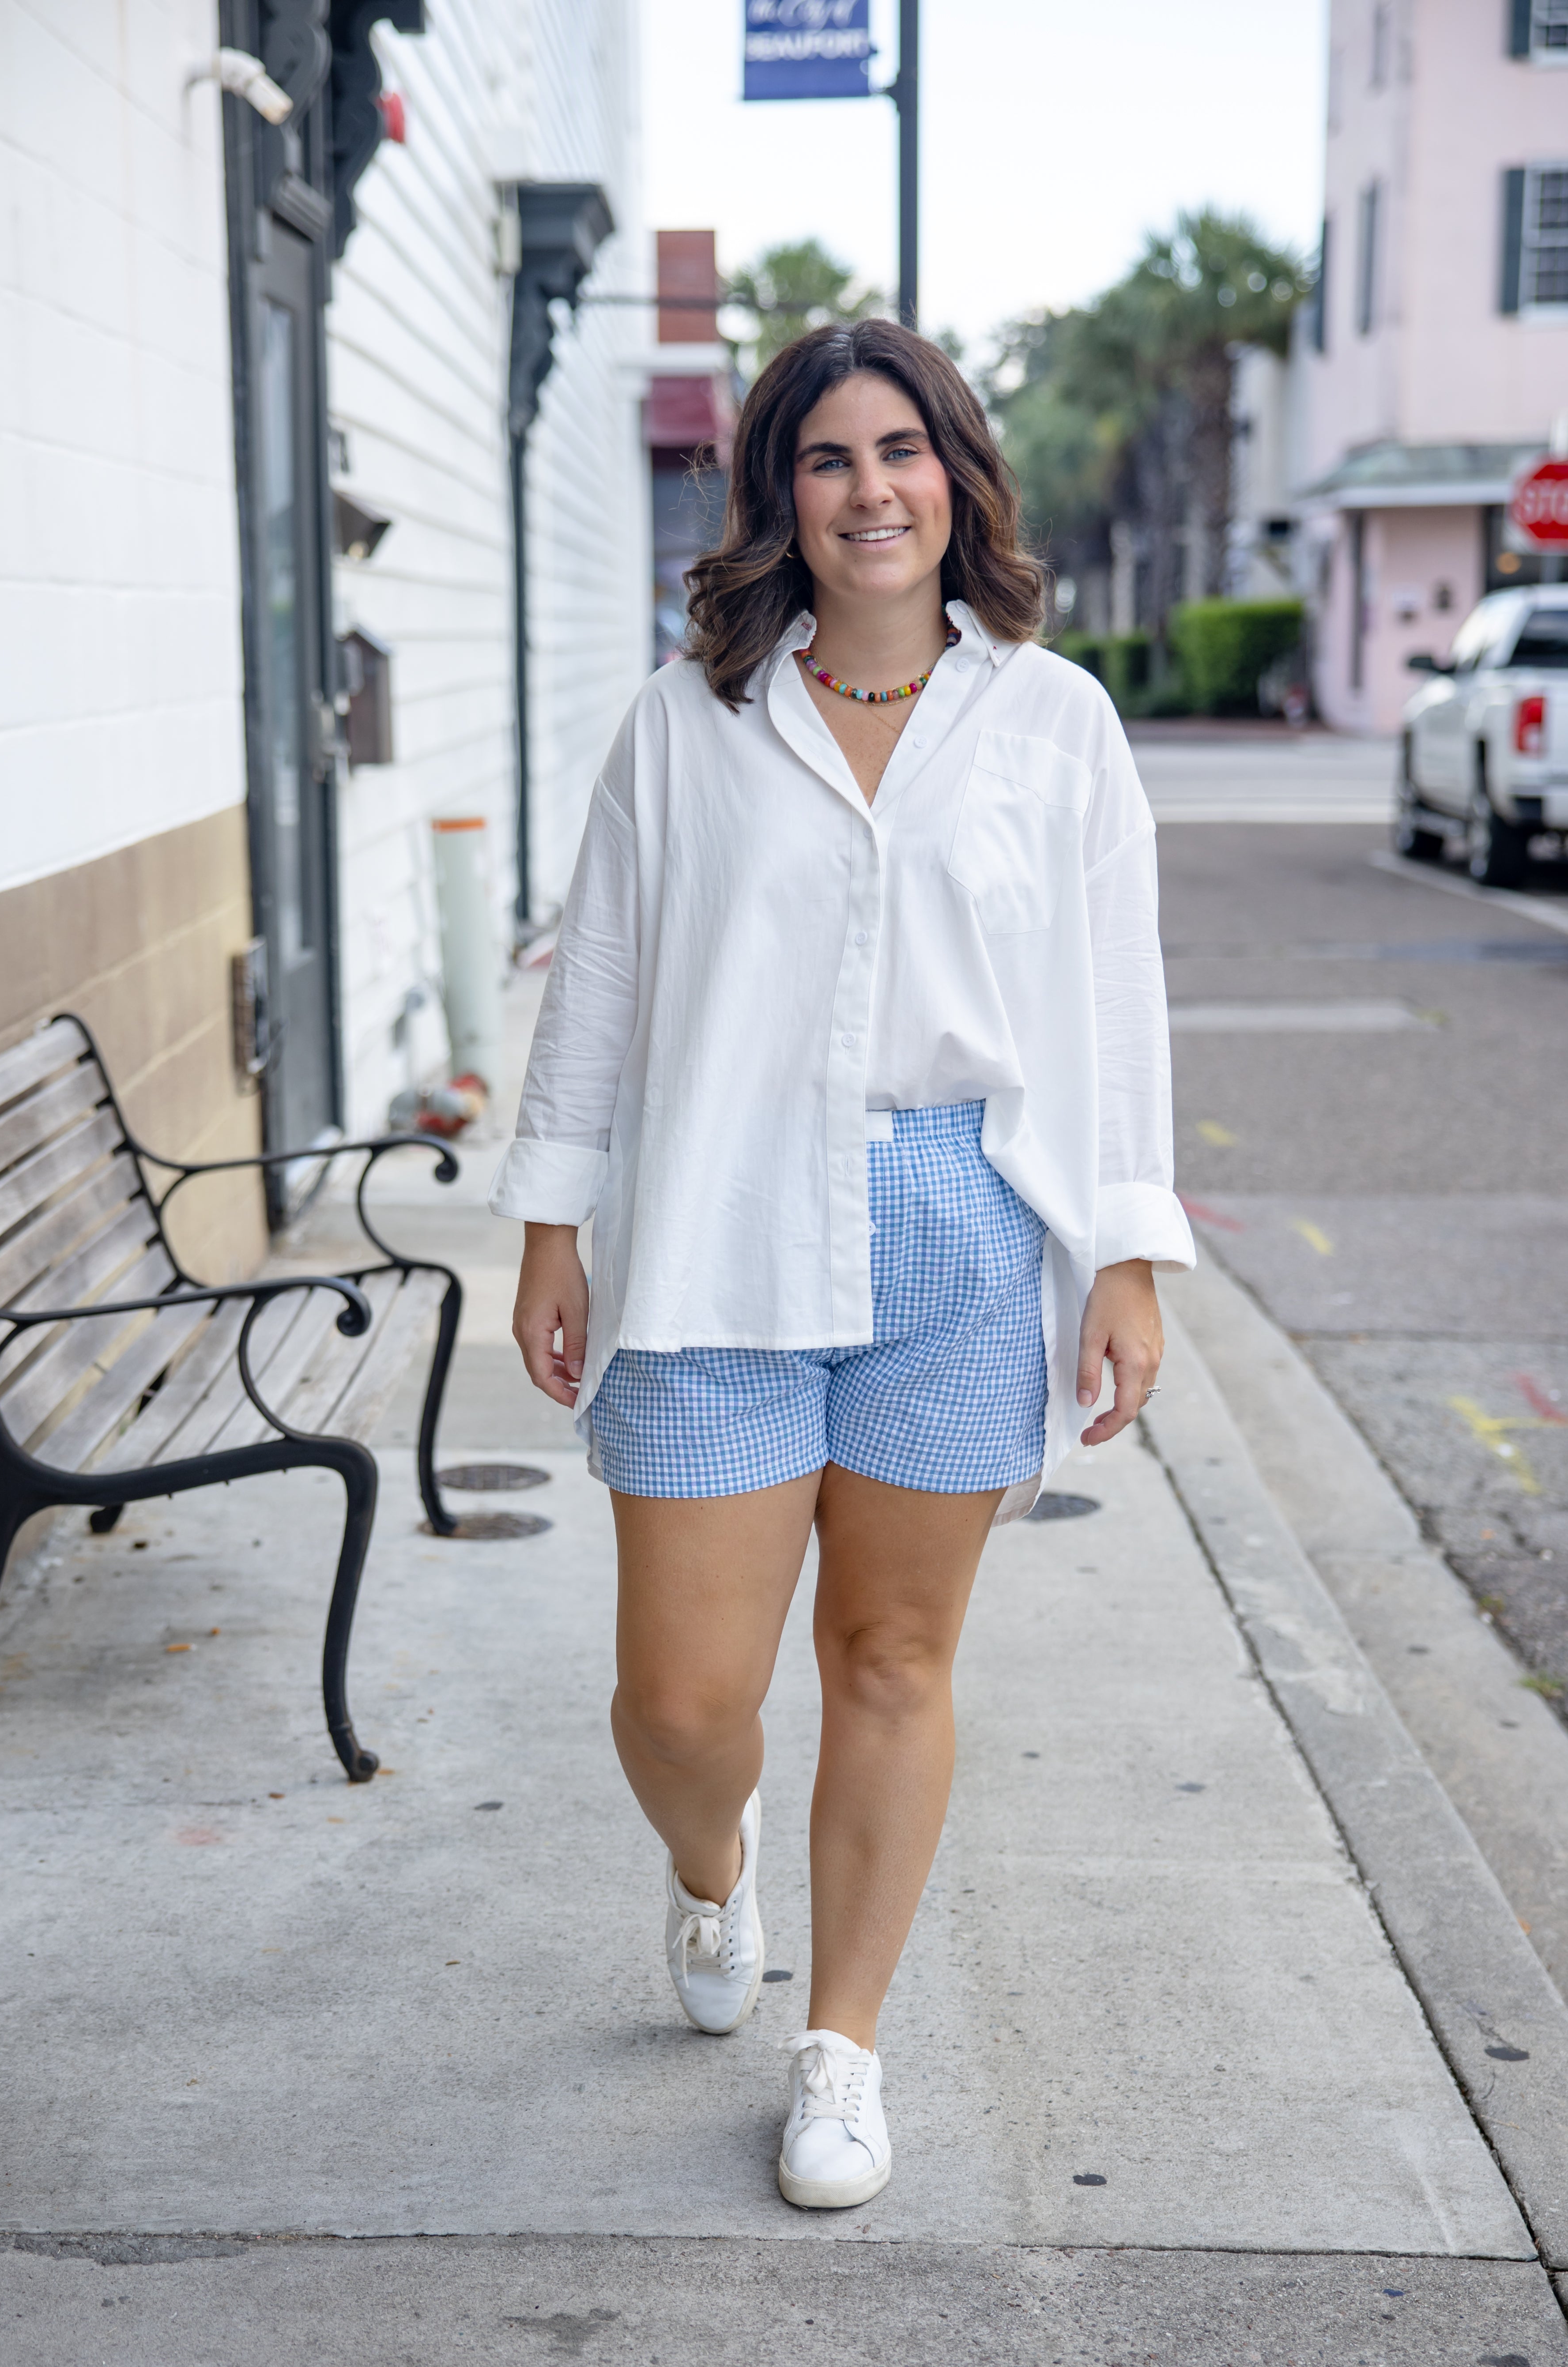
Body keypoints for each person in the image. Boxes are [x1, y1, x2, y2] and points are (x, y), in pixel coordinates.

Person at [492, 319, 1194, 2211]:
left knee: (893, 1658)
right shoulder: (687, 719)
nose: (870, 490)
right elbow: (606, 982)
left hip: (964, 1227)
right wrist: (554, 1222)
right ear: (777, 498)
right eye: (827, 460)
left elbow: (1118, 1006)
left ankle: (846, 2049)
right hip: (719, 1219)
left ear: (957, 477)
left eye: (904, 452)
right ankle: (715, 1879)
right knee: (681, 1698)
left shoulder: (1054, 722)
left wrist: (1130, 1254)